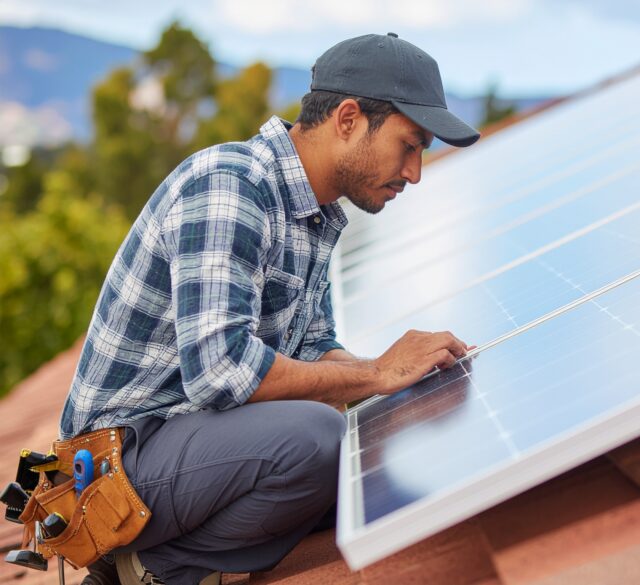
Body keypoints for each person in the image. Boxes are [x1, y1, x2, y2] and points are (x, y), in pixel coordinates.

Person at [59, 32, 480, 585]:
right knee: (317, 438)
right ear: (348, 119)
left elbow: (313, 349)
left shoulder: (315, 215)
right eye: (409, 145)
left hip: (188, 448)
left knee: (361, 462)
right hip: (114, 466)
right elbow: (221, 372)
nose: (415, 172)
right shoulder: (231, 187)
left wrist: (401, 388)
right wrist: (377, 373)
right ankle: (152, 569)